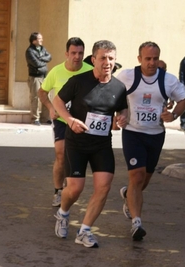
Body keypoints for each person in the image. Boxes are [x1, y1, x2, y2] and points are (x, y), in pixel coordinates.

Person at [53, 40, 128, 248]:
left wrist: (123, 118)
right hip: (76, 143)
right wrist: (70, 120)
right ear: (93, 59)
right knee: (75, 189)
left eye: (111, 58)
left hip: (101, 144)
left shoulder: (119, 87)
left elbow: (122, 110)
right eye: (103, 58)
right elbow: (57, 101)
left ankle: (85, 230)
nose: (107, 62)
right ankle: (63, 212)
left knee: (103, 186)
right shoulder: (79, 81)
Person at [117, 41, 185, 241]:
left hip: (156, 135)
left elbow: (183, 99)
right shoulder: (127, 76)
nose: (152, 62)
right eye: (147, 58)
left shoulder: (168, 80)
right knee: (137, 177)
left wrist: (173, 115)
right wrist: (120, 114)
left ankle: (128, 196)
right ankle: (136, 222)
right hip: (133, 133)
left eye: (155, 58)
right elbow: (116, 96)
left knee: (143, 181)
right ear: (139, 59)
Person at [38, 38, 93, 207]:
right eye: (73, 53)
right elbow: (42, 92)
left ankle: (72, 187)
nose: (77, 57)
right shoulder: (56, 71)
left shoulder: (90, 70)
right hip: (62, 119)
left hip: (83, 121)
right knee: (61, 153)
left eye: (80, 53)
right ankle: (58, 191)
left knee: (80, 155)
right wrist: (51, 108)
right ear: (66, 54)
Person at [25, 32, 52, 126]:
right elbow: (36, 64)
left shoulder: (42, 49)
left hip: (44, 77)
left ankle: (45, 118)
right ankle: (35, 118)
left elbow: (49, 57)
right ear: (34, 41)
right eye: (39, 39)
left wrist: (41, 58)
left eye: (41, 38)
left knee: (46, 97)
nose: (41, 40)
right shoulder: (29, 51)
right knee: (35, 98)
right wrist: (43, 62)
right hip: (35, 77)